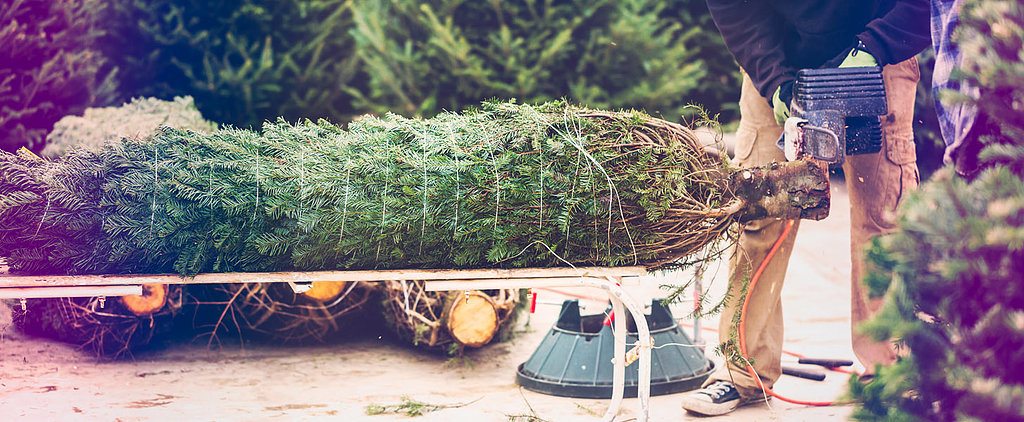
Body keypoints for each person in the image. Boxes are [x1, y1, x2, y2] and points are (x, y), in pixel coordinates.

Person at [680, 1, 931, 416]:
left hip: (879, 58)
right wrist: (774, 80)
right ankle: (742, 370)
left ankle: (890, 373)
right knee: (756, 216)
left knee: (883, 219)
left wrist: (873, 48)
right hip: (779, 57)